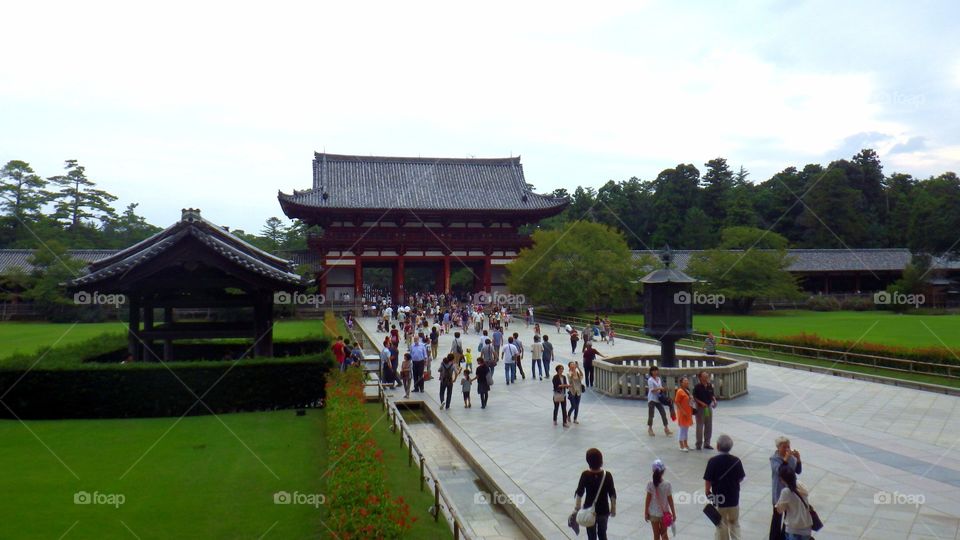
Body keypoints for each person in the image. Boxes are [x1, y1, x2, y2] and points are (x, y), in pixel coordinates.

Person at [704, 434, 746, 540]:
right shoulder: (736, 460)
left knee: (721, 525)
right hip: (733, 498)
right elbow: (740, 478)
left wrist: (707, 492)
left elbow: (708, 479)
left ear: (718, 446)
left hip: (719, 499)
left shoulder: (713, 461)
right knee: (734, 523)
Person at [574, 448, 616, 540]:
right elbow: (612, 494)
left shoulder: (585, 475)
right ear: (601, 460)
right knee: (602, 534)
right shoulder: (607, 475)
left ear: (588, 461)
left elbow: (579, 493)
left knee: (591, 536)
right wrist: (613, 510)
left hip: (589, 510)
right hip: (603, 510)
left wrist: (577, 508)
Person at [769, 436, 803, 540]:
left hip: (790, 492)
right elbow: (780, 471)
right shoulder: (774, 459)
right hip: (778, 492)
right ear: (778, 447)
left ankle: (784, 536)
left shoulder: (791, 458)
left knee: (788, 518)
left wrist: (798, 460)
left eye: (788, 447)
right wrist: (786, 459)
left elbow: (798, 471)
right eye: (784, 447)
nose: (787, 449)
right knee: (777, 517)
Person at [775, 465, 814, 540]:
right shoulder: (800, 484)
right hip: (807, 527)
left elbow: (780, 510)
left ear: (783, 479)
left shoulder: (786, 492)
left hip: (793, 529)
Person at [645, 459, 675, 540]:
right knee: (664, 534)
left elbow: (647, 500)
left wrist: (646, 512)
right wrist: (674, 513)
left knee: (656, 535)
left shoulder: (650, 484)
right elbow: (670, 500)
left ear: (653, 470)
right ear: (663, 471)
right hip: (664, 514)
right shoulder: (667, 484)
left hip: (653, 513)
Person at [694, 371, 717, 450]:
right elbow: (695, 398)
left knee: (709, 425)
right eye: (704, 376)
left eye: (707, 376)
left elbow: (712, 395)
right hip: (700, 408)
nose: (706, 378)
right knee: (700, 426)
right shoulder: (697, 387)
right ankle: (698, 444)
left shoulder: (709, 385)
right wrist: (701, 403)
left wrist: (714, 400)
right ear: (700, 378)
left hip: (708, 407)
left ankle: (707, 443)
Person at [647, 366, 672, 437]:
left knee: (663, 413)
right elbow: (652, 389)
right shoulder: (650, 380)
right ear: (651, 372)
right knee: (651, 414)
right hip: (652, 399)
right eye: (654, 371)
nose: (655, 372)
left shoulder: (658, 379)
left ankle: (666, 428)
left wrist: (664, 389)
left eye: (656, 371)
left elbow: (660, 389)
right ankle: (650, 428)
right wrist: (660, 388)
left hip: (658, 399)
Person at [674, 376, 694, 452]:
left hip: (688, 412)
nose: (687, 382)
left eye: (687, 381)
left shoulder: (687, 391)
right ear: (681, 383)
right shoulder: (679, 391)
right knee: (682, 429)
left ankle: (686, 444)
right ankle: (681, 445)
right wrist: (682, 411)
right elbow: (677, 402)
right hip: (683, 413)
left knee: (686, 429)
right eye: (685, 381)